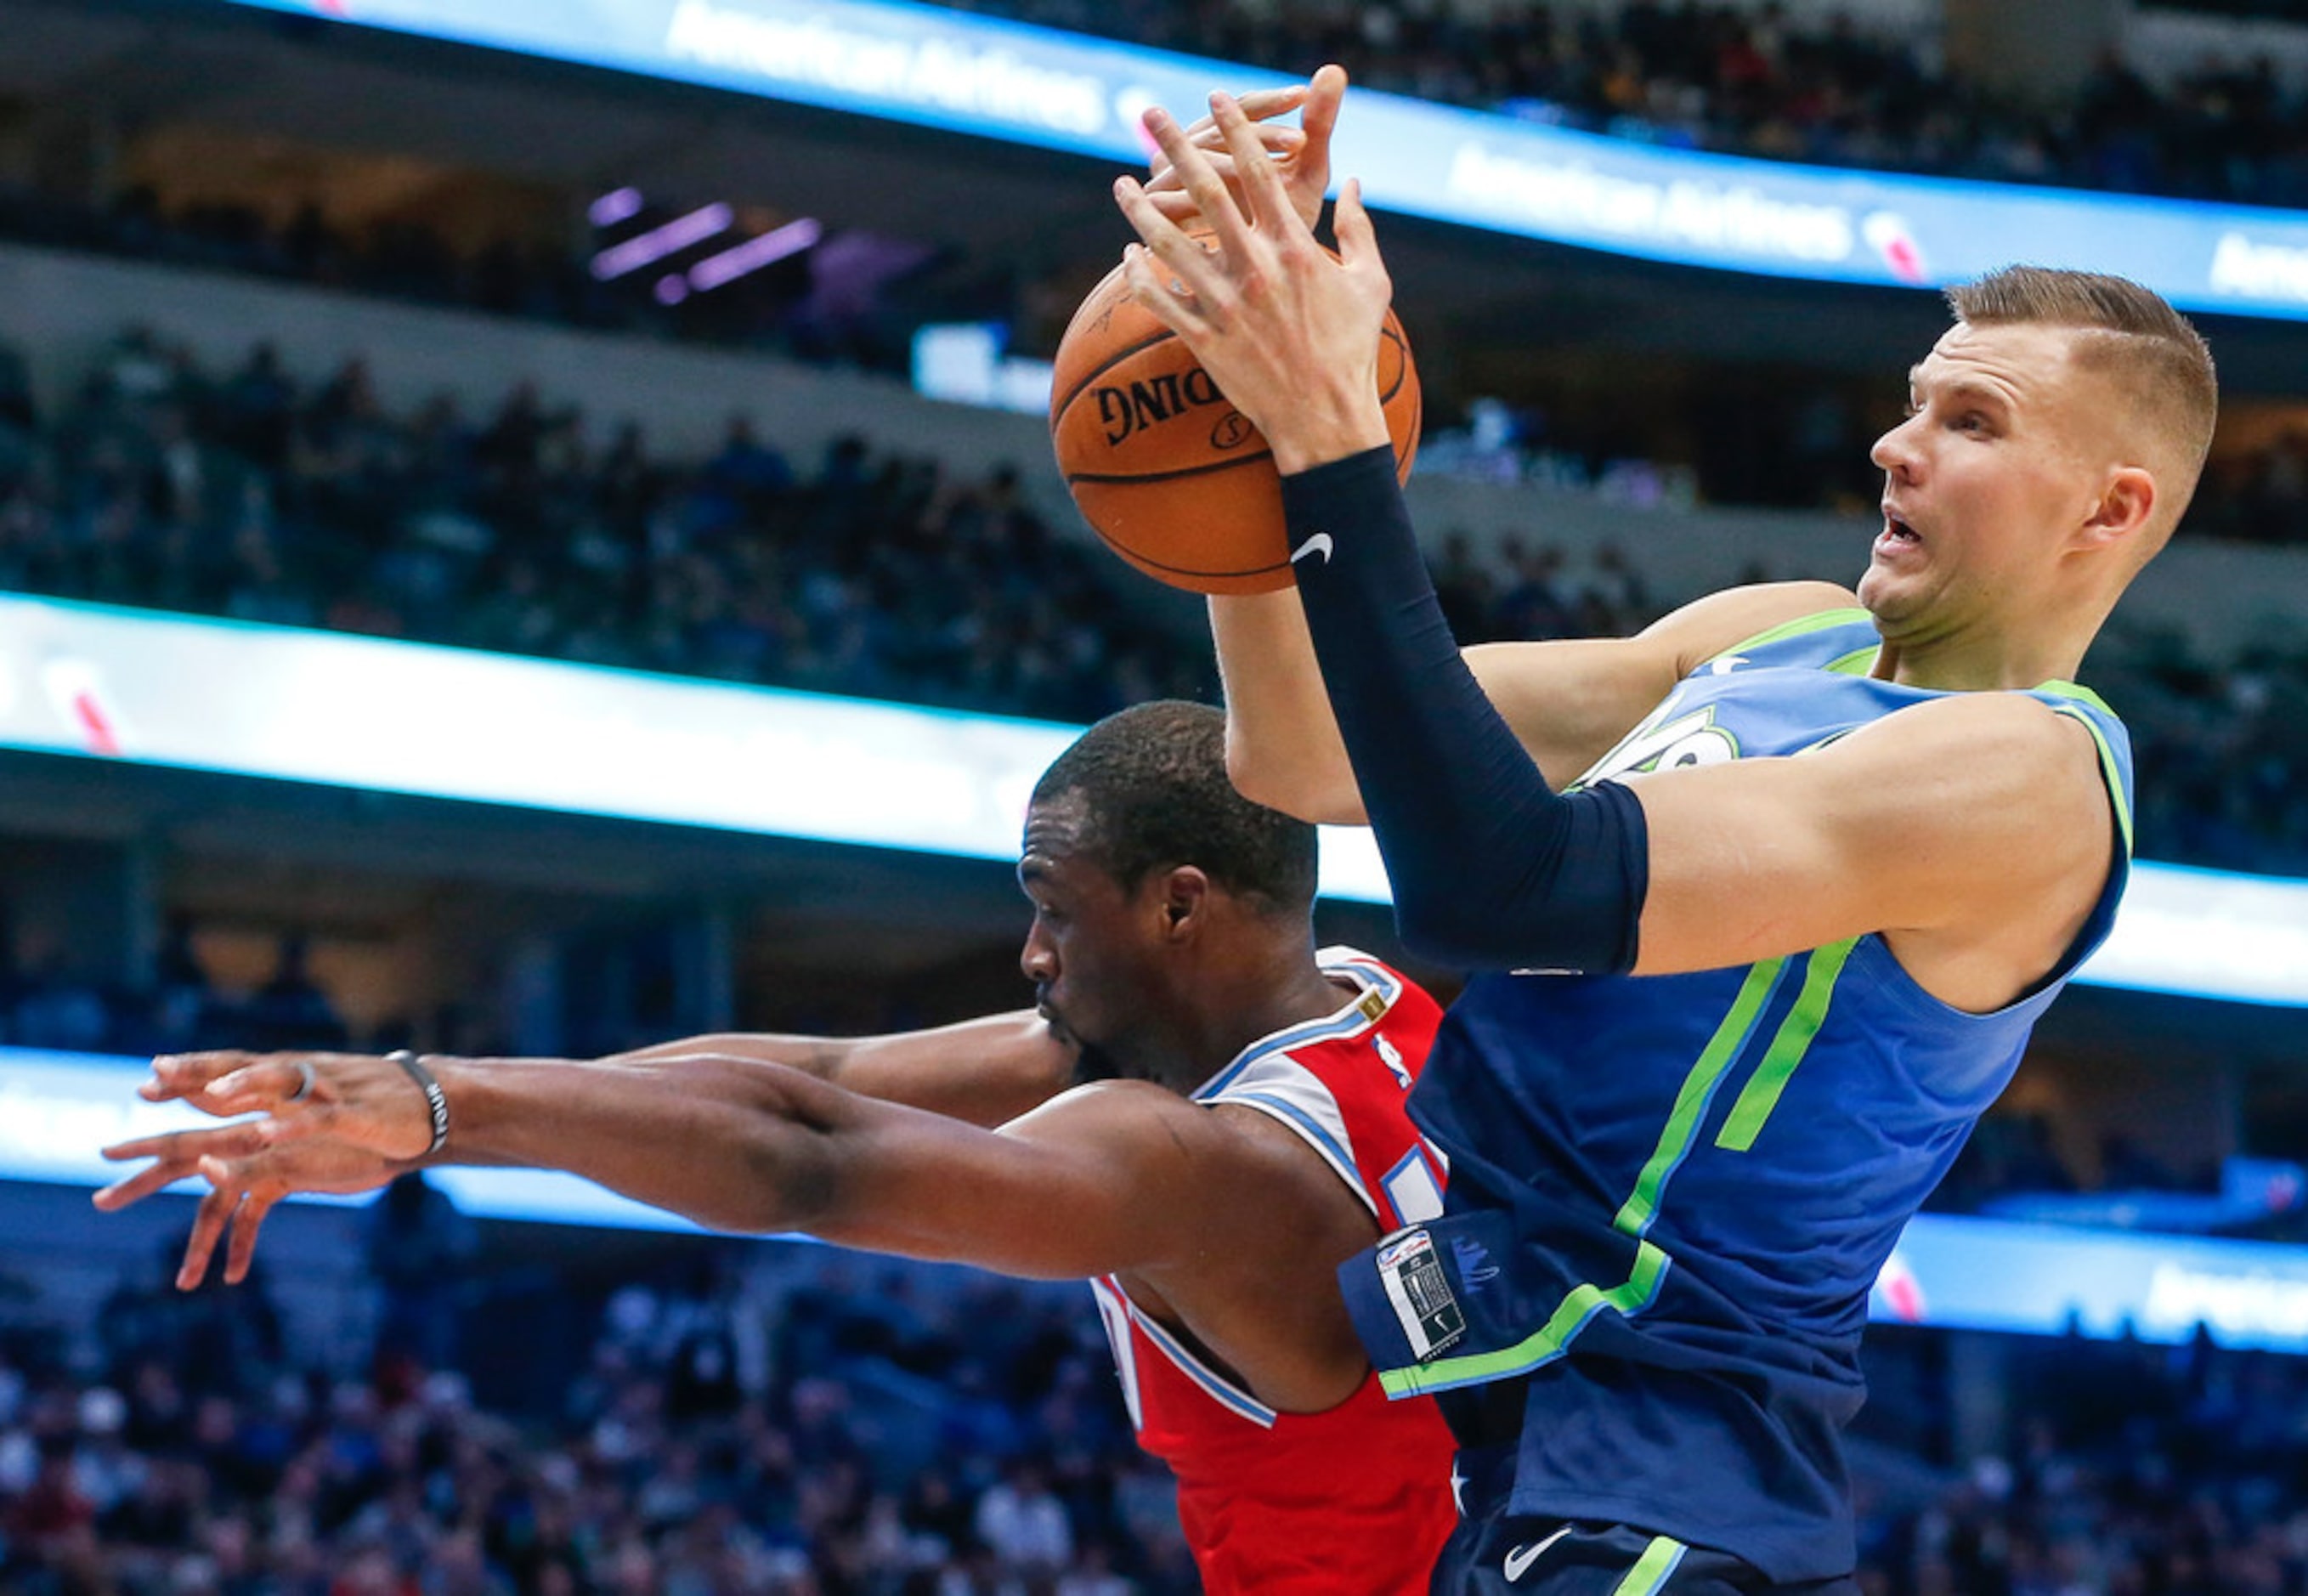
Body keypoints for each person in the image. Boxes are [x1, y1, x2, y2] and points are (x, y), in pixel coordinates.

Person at [1113, 71, 2214, 1594]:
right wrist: (1240, 451)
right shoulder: (1780, 634)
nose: (1897, 445)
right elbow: (1299, 751)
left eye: (1970, 420)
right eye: (1911, 400)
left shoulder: (2028, 783)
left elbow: (1503, 887)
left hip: (1661, 1475)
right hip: (1489, 1397)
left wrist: (1330, 431)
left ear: (2111, 509)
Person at [96, 700, 1458, 1595]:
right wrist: (425, 1128)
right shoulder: (1366, 1003)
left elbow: (814, 1153)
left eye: (1052, 907)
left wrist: (446, 1096)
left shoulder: (1211, 1165)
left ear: (1180, 907)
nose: (1031, 953)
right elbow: (824, 1072)